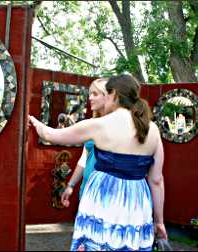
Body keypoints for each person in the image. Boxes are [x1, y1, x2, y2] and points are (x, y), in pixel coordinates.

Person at [29, 74, 167, 251]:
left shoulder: (99, 125)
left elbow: (49, 134)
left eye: (106, 94)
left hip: (103, 200)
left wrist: (33, 121)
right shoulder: (152, 129)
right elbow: (156, 181)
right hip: (136, 203)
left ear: (114, 94)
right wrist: (159, 221)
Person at [61, 78, 108, 207]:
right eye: (89, 94)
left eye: (95, 94)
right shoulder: (91, 124)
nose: (90, 98)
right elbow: (84, 159)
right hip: (87, 191)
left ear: (108, 95)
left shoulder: (117, 125)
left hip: (106, 196)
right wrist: (70, 185)